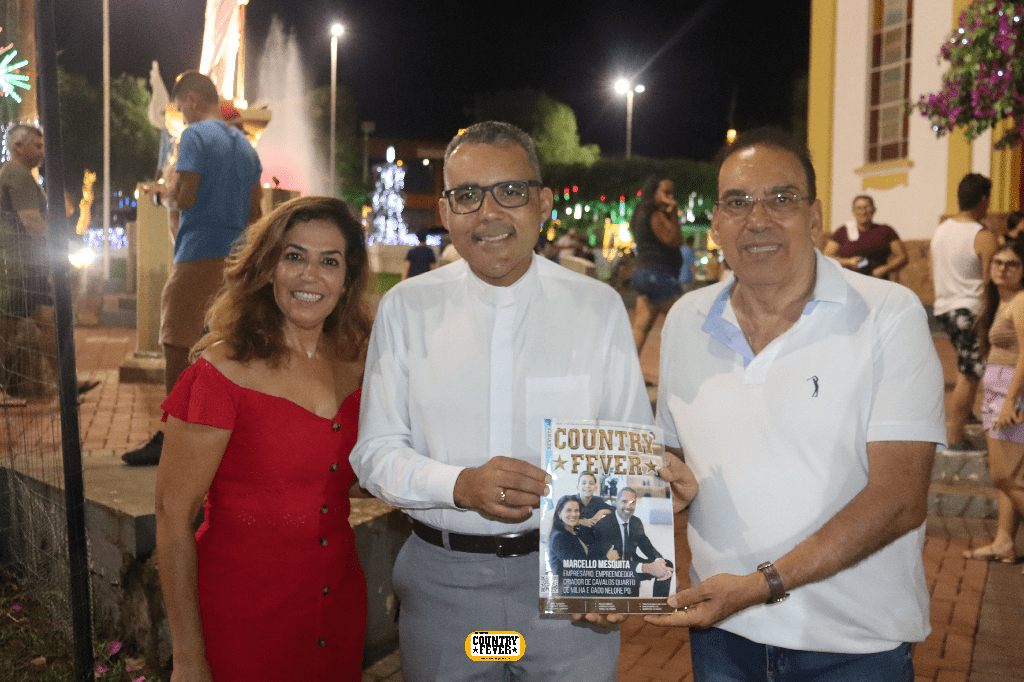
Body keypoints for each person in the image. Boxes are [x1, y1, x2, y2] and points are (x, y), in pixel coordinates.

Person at [350, 121, 695, 682]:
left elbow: (630, 447)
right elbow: (375, 452)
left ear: (543, 203)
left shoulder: (596, 308)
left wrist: (623, 572)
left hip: (569, 591)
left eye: (510, 192)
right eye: (467, 195)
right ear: (446, 211)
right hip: (451, 596)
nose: (489, 213)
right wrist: (461, 485)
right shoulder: (407, 310)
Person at [649, 127, 945, 681]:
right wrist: (663, 489)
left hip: (853, 646)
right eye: (737, 202)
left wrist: (761, 585)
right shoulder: (687, 320)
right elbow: (672, 457)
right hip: (723, 641)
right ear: (715, 224)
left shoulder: (888, 314)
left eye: (781, 199)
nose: (757, 219)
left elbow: (900, 498)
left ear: (815, 218)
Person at [155, 196, 371, 682]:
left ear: (347, 278)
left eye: (330, 262)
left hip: (337, 605)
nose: (310, 276)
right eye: (294, 256)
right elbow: (172, 516)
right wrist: (188, 658)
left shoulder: (359, 365)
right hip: (242, 615)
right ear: (268, 268)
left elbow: (348, 476)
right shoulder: (222, 371)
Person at [123, 71, 263, 466]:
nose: (181, 114)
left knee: (177, 341)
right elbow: (255, 212)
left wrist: (161, 197)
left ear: (192, 100)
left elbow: (185, 197)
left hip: (198, 253)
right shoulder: (246, 146)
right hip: (236, 259)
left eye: (180, 106)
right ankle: (219, 434)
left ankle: (172, 435)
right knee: (223, 344)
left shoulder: (196, 136)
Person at [0, 124, 99, 399]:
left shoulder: (12, 174)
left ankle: (65, 382)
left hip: (19, 267)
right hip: (18, 268)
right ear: (18, 147)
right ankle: (64, 383)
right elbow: (31, 220)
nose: (42, 151)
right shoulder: (18, 176)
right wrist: (60, 246)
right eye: (37, 145)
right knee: (16, 328)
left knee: (39, 322)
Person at [963, 241, 1024, 567]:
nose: (1002, 268)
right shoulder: (1001, 302)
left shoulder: (1021, 301)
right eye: (998, 262)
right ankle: (1004, 541)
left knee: (1005, 477)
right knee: (1008, 477)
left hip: (1011, 396)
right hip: (996, 394)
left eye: (1012, 263)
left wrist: (1010, 402)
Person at [932, 173, 998, 450]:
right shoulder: (982, 235)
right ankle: (955, 435)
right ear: (983, 200)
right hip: (971, 311)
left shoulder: (941, 230)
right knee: (970, 374)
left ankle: (965, 413)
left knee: (966, 367)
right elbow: (990, 281)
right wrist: (989, 319)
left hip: (944, 307)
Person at [630, 175, 683, 354]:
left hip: (643, 274)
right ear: (654, 192)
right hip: (659, 275)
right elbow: (674, 239)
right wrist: (674, 213)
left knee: (641, 327)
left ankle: (628, 367)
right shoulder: (655, 214)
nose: (671, 197)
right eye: (666, 192)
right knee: (684, 322)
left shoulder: (640, 212)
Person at [591, 487, 673, 598]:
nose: (628, 506)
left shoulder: (636, 522)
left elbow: (646, 545)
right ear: (616, 502)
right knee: (631, 578)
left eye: (632, 503)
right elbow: (612, 561)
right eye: (624, 502)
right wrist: (645, 567)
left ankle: (658, 604)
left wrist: (659, 560)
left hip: (633, 562)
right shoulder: (604, 525)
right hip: (614, 570)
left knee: (667, 565)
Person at [823, 194, 908, 280]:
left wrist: (884, 269)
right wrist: (848, 262)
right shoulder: (843, 231)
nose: (863, 212)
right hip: (849, 281)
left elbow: (902, 257)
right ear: (853, 211)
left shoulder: (886, 230)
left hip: (877, 281)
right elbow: (827, 257)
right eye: (859, 208)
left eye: (867, 207)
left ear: (874, 210)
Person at [572, 470, 614, 547]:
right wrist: (581, 521)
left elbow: (614, 510)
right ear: (578, 487)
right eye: (584, 483)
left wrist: (602, 511)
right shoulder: (571, 501)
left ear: (595, 488)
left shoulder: (598, 501)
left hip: (593, 542)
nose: (587, 486)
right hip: (574, 540)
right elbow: (560, 519)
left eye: (591, 483)